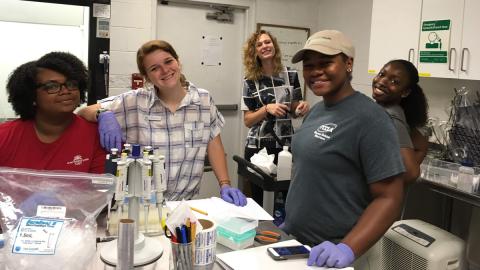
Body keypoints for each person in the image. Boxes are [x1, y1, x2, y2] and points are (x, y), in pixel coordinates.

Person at [282, 30, 405, 268]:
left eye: (326, 63)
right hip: (300, 246)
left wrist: (348, 248)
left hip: (338, 254)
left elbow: (390, 197)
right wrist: (291, 223)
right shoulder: (317, 111)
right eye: (309, 65)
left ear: (348, 64)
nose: (315, 71)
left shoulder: (371, 119)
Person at [77, 40, 247, 206]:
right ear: (147, 77)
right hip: (142, 206)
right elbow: (82, 111)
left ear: (178, 61)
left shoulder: (203, 99)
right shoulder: (135, 102)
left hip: (185, 205)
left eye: (168, 61)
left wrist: (225, 183)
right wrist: (103, 114)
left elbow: (213, 143)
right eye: (154, 68)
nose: (165, 70)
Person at [0, 52, 106, 173]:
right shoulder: (4, 137)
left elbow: (100, 188)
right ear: (31, 95)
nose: (66, 91)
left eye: (71, 84)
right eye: (52, 86)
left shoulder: (97, 136)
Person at [241, 30, 309, 205]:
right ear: (254, 52)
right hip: (258, 148)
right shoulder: (249, 81)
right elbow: (248, 120)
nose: (265, 46)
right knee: (259, 200)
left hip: (285, 146)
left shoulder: (291, 75)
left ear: (274, 46)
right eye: (260, 44)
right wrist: (266, 109)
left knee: (287, 198)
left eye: (268, 42)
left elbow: (293, 109)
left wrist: (301, 107)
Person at [372, 59, 429, 184]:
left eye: (394, 81)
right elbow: (421, 145)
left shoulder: (390, 116)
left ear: (405, 92)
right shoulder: (387, 110)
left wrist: (383, 190)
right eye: (382, 74)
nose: (382, 82)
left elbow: (411, 173)